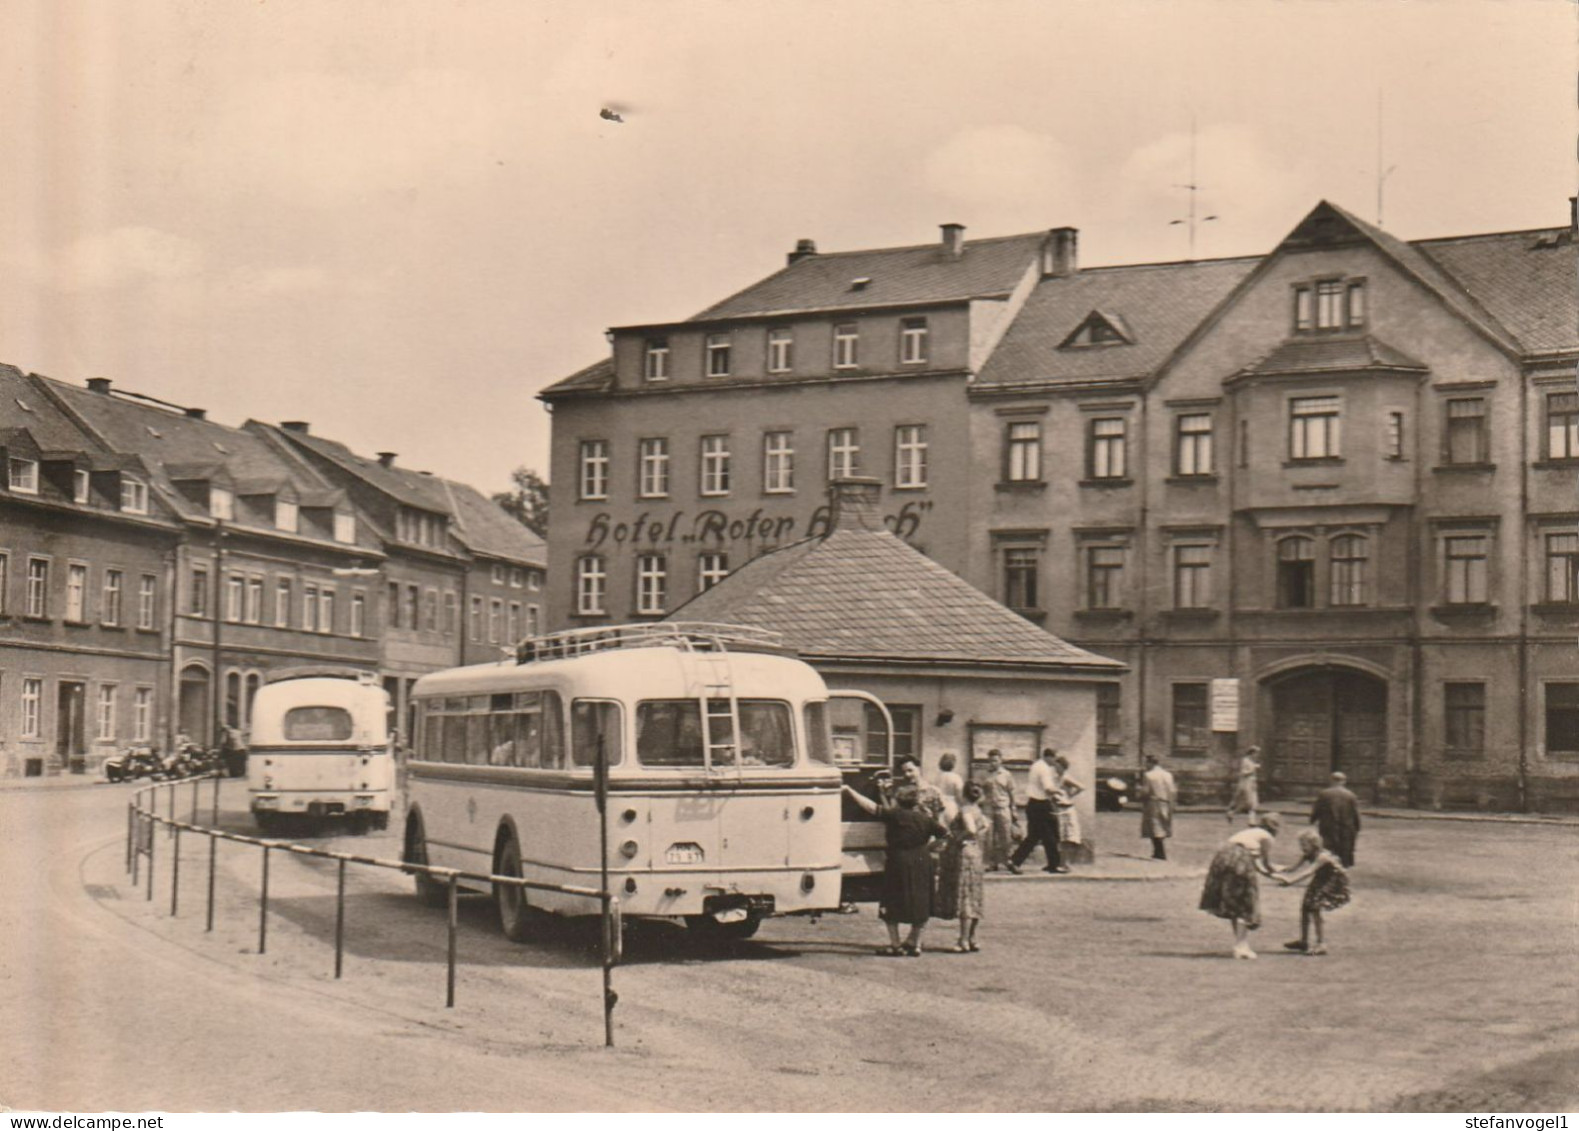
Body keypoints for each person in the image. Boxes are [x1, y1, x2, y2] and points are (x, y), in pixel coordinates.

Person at [843, 780, 948, 956]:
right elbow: (945, 835)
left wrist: (850, 791)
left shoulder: (895, 815)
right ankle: (916, 944)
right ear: (916, 801)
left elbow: (872, 808)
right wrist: (928, 848)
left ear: (899, 800)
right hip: (922, 861)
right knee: (921, 902)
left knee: (892, 902)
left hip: (898, 861)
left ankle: (896, 945)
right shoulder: (925, 819)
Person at [1199, 811, 1283, 959]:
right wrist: (1280, 872)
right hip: (1239, 861)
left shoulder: (1250, 832)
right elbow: (1266, 864)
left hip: (1222, 858)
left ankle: (1241, 944)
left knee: (1234, 903)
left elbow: (1256, 864)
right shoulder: (1267, 838)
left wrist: (1272, 873)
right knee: (1245, 903)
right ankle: (1240, 946)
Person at [1277, 828, 1351, 956]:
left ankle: (1321, 944)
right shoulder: (1307, 855)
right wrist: (1273, 869)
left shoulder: (1322, 856)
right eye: (1301, 845)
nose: (1302, 848)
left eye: (1304, 845)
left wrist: (1291, 881)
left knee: (1315, 907)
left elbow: (1309, 871)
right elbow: (1292, 868)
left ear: (1314, 844)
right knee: (1305, 906)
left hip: (1333, 880)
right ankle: (1304, 941)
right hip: (1320, 878)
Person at [935, 780, 988, 952]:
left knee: (965, 896)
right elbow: (982, 829)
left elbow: (971, 830)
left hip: (964, 853)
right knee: (974, 896)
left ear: (963, 794)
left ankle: (963, 940)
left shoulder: (965, 810)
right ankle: (972, 937)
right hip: (977, 853)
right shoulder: (978, 810)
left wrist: (956, 837)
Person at [1008, 748, 1067, 875]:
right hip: (1041, 805)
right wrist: (1060, 792)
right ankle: (1053, 865)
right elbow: (1048, 789)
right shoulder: (1044, 769)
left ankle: (1050, 864)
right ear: (1048, 757)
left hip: (1033, 804)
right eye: (1054, 759)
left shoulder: (1036, 765)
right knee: (1051, 835)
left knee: (1035, 836)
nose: (1054, 762)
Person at [979, 749, 1020, 872]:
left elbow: (1012, 792)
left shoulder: (1006, 774)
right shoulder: (984, 775)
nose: (993, 763)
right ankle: (992, 863)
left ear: (1000, 761)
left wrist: (1014, 809)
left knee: (1006, 836)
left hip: (1003, 808)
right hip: (988, 809)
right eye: (990, 761)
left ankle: (1009, 861)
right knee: (989, 837)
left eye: (995, 760)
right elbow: (979, 792)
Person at [1310, 771, 1362, 867]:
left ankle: (1328, 867)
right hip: (1346, 827)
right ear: (1344, 781)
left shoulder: (1324, 794)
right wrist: (1357, 827)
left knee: (1328, 848)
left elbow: (1317, 809)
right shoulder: (1351, 795)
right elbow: (1355, 813)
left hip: (1328, 826)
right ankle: (1341, 870)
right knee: (1344, 849)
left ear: (1331, 780)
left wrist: (1313, 820)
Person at [1138, 754, 1178, 860]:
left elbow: (1146, 791)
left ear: (1150, 763)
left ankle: (1159, 852)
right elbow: (1173, 790)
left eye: (1146, 763)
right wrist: (1172, 803)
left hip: (1153, 803)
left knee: (1154, 827)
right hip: (1166, 802)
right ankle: (1158, 852)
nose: (1145, 765)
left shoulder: (1149, 775)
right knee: (1163, 826)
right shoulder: (1168, 774)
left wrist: (1140, 793)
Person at [1051, 754, 1084, 857]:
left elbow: (1081, 787)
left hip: (1066, 809)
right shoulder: (1056, 778)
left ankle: (1064, 863)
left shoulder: (1066, 777)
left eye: (1057, 766)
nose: (1055, 768)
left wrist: (1070, 796)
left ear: (1062, 766)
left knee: (1067, 837)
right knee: (1059, 836)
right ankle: (1059, 862)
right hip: (1058, 809)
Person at [895, 756, 946, 823]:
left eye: (910, 770)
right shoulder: (901, 793)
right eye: (903, 772)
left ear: (919, 769)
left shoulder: (934, 791)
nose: (907, 774)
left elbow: (940, 819)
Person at [1227, 745, 1261, 823]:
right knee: (1248, 803)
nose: (1257, 755)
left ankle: (1251, 821)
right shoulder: (1245, 760)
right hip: (1246, 784)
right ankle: (1233, 813)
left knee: (1252, 803)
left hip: (1252, 783)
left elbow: (1254, 775)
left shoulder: (1253, 762)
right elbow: (1243, 772)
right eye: (1256, 753)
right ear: (1252, 753)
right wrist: (1252, 770)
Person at [933, 753, 965, 821]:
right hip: (951, 806)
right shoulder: (956, 777)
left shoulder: (937, 777)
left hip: (939, 806)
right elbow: (959, 796)